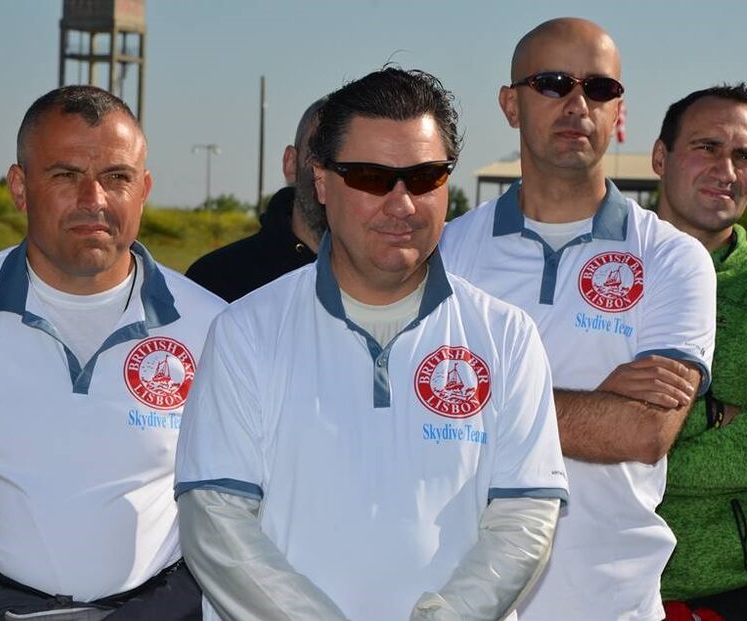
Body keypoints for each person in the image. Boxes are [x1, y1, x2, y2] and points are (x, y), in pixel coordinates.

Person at [175, 67, 568, 621]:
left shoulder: (506, 335)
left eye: (424, 176)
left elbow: (525, 520)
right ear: (320, 181)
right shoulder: (246, 330)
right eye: (370, 177)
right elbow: (215, 520)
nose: (401, 204)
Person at [0, 85, 225, 620]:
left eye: (116, 177)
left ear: (143, 189)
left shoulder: (213, 327)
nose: (94, 199)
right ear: (20, 187)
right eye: (65, 175)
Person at [439, 18, 716, 621]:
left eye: (599, 88)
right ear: (510, 105)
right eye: (552, 83)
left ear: (620, 111)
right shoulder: (446, 252)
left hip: (614, 603)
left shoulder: (673, 258)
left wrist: (476, 399)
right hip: (465, 600)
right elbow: (413, 410)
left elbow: (643, 433)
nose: (577, 105)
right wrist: (599, 400)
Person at [650, 83, 747, 621]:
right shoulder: (599, 278)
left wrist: (615, 451)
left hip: (742, 591)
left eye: (743, 156)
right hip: (592, 584)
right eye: (706, 146)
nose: (726, 169)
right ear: (661, 157)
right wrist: (714, 416)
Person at [185, 97, 328, 301]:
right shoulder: (213, 282)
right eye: (323, 156)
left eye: (362, 166)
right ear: (291, 163)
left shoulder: (377, 282)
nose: (338, 173)